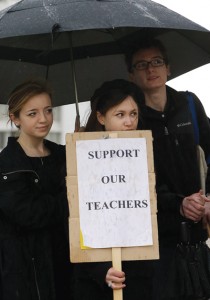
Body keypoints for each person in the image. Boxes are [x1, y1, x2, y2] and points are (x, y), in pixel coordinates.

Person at [125, 37, 210, 299]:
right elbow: (135, 182)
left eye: (157, 62)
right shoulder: (131, 119)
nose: (151, 69)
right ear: (131, 73)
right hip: (157, 244)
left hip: (197, 236)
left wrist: (208, 199)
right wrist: (178, 203)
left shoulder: (189, 105)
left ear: (168, 68)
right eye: (141, 65)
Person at [73, 78, 153, 300]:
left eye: (133, 114)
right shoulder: (80, 160)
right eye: (120, 115)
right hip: (94, 281)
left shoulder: (146, 155)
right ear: (100, 117)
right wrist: (101, 271)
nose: (129, 122)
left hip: (138, 276)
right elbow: (75, 223)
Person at [0, 79, 72, 300]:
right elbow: (29, 214)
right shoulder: (7, 164)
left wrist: (83, 147)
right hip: (27, 275)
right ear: (15, 118)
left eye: (48, 110)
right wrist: (71, 200)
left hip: (67, 266)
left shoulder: (64, 155)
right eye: (32, 113)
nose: (43, 119)